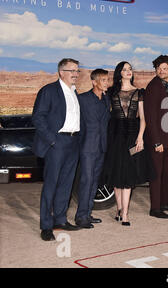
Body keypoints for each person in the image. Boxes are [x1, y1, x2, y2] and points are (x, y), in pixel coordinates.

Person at [32, 58, 82, 241]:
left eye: (77, 71)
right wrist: (52, 140)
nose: (76, 74)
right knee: (51, 185)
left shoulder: (75, 92)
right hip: (57, 143)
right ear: (61, 72)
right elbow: (38, 117)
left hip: (73, 142)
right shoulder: (49, 91)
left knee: (66, 184)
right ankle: (46, 226)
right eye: (72, 71)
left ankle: (60, 219)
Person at [102, 61, 153, 226]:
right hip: (115, 136)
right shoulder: (111, 92)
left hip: (132, 135)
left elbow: (143, 118)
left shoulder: (139, 92)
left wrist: (140, 137)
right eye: (125, 69)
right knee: (117, 174)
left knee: (128, 175)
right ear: (119, 73)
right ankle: (119, 208)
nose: (128, 71)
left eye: (130, 69)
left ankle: (125, 214)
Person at [74, 69, 110, 229]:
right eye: (103, 80)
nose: (107, 83)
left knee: (94, 181)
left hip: (101, 146)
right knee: (86, 181)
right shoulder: (82, 99)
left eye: (107, 80)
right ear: (94, 82)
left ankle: (87, 213)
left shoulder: (106, 99)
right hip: (87, 146)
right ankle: (81, 217)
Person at [144, 55, 168, 219]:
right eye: (158, 68)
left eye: (164, 68)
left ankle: (165, 202)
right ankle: (155, 208)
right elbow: (150, 117)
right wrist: (157, 141)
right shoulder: (153, 86)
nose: (161, 71)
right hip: (158, 139)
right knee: (157, 174)